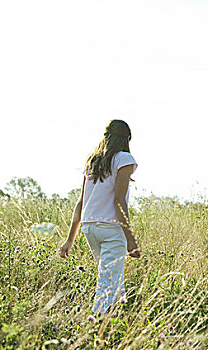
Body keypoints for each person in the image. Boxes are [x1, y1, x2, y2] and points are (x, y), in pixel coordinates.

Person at [59, 119, 141, 314]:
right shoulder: (124, 159)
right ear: (127, 138)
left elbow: (80, 202)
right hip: (111, 228)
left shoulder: (93, 161)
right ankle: (96, 326)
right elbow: (119, 201)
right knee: (107, 282)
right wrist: (130, 238)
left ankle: (115, 322)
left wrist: (70, 239)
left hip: (89, 228)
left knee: (113, 278)